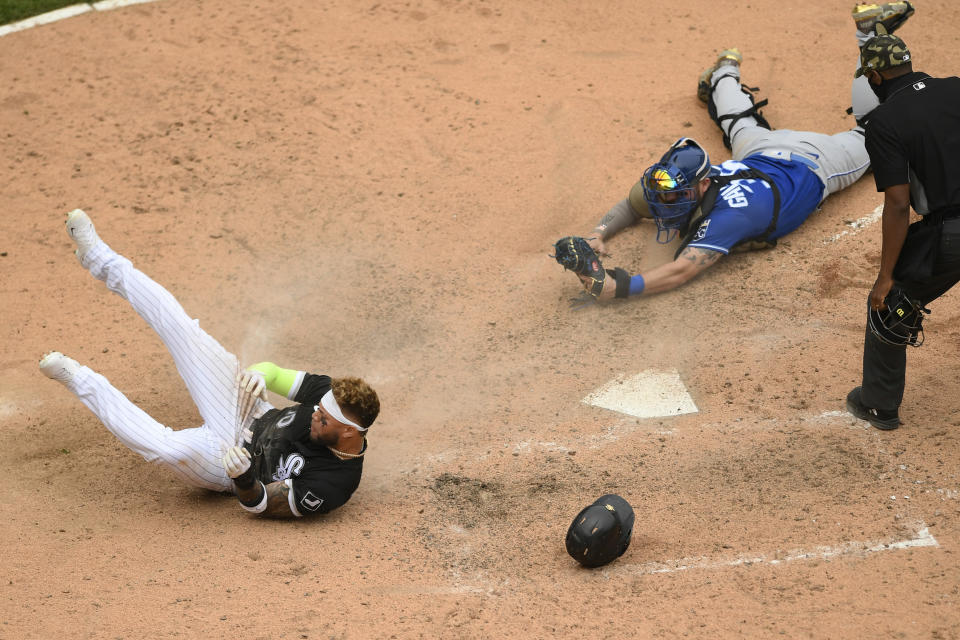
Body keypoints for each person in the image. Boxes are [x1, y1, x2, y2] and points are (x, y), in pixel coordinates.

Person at [556, 6, 917, 302]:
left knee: (873, 129)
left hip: (816, 159)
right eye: (663, 193)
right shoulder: (672, 184)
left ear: (704, 184)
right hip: (757, 152)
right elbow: (630, 206)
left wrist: (619, 288)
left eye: (675, 195)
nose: (664, 201)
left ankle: (867, 35)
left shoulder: (733, 215)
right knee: (738, 122)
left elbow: (682, 270)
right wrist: (597, 234)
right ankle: (724, 69)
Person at [39, 209, 380, 517]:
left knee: (168, 449)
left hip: (225, 464)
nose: (314, 414)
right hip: (248, 410)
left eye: (322, 417)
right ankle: (98, 256)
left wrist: (243, 476)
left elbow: (259, 503)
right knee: (183, 331)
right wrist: (259, 376)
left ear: (349, 430)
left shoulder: (335, 483)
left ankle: (79, 380)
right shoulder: (329, 395)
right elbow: (273, 373)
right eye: (318, 409)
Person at [845, 10, 960, 430]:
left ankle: (878, 405)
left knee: (890, 306)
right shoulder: (956, 88)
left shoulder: (884, 122)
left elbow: (897, 204)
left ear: (875, 79)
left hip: (952, 234)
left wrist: (884, 277)